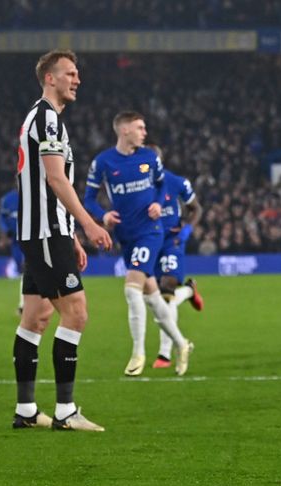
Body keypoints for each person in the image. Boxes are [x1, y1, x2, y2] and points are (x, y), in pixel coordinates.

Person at [12, 49, 113, 432]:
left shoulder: (41, 119)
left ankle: (25, 411)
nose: (77, 79)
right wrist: (87, 223)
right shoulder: (47, 119)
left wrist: (69, 231)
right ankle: (66, 412)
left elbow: (42, 181)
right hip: (44, 233)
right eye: (70, 73)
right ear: (50, 78)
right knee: (77, 312)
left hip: (46, 231)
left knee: (35, 318)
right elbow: (56, 179)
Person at [85, 111, 193, 377]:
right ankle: (182, 344)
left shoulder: (149, 158)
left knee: (132, 290)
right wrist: (103, 215)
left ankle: (137, 353)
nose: (144, 132)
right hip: (125, 235)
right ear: (124, 130)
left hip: (150, 232)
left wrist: (157, 203)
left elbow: (159, 186)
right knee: (152, 296)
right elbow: (88, 199)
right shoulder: (103, 162)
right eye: (139, 127)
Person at [145, 144, 204, 370]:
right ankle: (189, 290)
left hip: (171, 242)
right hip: (148, 241)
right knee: (153, 298)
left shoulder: (176, 182)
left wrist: (187, 231)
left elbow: (196, 208)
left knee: (167, 290)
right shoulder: (136, 186)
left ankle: (165, 354)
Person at [0, 186, 25, 311]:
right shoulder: (7, 199)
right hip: (16, 241)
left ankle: (23, 305)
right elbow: (2, 217)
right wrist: (6, 231)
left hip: (31, 240)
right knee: (22, 270)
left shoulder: (35, 195)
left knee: (27, 269)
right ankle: (25, 304)